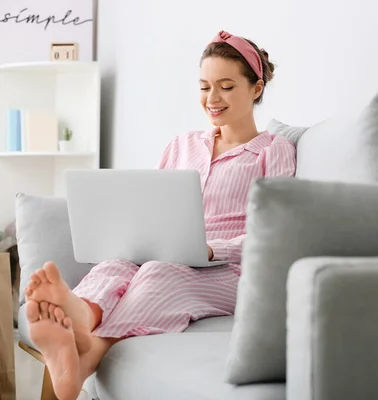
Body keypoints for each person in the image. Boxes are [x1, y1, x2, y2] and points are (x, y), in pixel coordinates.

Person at [23, 30, 296, 400]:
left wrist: (213, 249)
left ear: (256, 88)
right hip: (166, 251)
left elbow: (276, 232)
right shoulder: (181, 145)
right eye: (204, 87)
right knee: (115, 264)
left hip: (234, 270)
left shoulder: (273, 150)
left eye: (226, 86)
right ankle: (80, 315)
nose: (212, 99)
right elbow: (148, 205)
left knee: (159, 272)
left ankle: (87, 348)